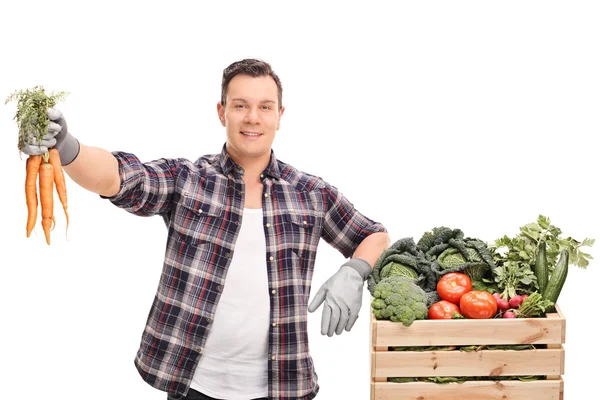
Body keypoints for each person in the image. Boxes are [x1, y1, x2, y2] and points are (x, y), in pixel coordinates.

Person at [23, 59, 390, 400]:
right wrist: (67, 146)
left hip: (282, 384)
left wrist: (354, 270)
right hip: (193, 384)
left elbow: (372, 234)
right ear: (222, 112)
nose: (253, 118)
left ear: (279, 116)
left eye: (265, 107)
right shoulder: (188, 180)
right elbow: (119, 178)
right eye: (240, 104)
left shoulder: (311, 193)